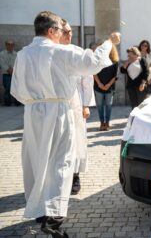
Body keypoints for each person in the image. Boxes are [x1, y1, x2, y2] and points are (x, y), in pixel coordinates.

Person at [10, 11, 120, 238]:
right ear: (51, 31)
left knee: (36, 160)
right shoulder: (61, 52)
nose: (62, 34)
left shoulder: (23, 54)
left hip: (32, 113)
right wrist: (109, 42)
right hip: (59, 111)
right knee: (60, 162)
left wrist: (36, 102)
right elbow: (93, 62)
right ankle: (54, 217)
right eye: (61, 30)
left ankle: (39, 211)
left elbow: (16, 90)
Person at [59, 19, 94, 195]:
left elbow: (87, 80)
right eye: (65, 31)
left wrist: (86, 105)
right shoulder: (52, 52)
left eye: (70, 31)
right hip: (56, 106)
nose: (69, 34)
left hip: (76, 104)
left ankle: (75, 176)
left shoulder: (78, 52)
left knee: (77, 140)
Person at [93, 44, 119, 131]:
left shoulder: (115, 61)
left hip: (110, 87)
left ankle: (107, 123)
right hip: (98, 86)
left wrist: (108, 85)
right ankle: (101, 123)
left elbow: (115, 76)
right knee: (100, 106)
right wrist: (99, 83)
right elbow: (94, 72)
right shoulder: (96, 60)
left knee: (108, 105)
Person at [0, 39, 18, 106]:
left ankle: (17, 102)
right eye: (8, 44)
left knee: (16, 88)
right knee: (7, 88)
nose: (10, 46)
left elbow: (18, 63)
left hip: (15, 74)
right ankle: (7, 102)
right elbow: (2, 64)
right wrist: (9, 70)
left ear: (13, 45)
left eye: (12, 44)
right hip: (6, 74)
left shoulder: (16, 54)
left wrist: (14, 71)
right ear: (6, 45)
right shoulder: (1, 54)